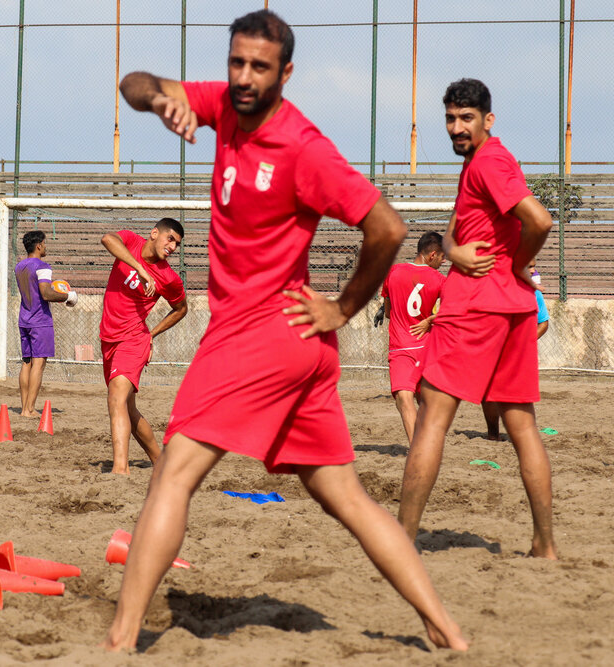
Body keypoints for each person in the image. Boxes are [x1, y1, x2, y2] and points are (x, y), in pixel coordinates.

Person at [102, 10, 467, 652]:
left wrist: (345, 307)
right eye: (236, 62)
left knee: (173, 475)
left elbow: (387, 227)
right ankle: (447, 629)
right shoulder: (223, 103)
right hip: (301, 352)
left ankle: (120, 638)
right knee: (347, 497)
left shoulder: (303, 147)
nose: (243, 77)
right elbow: (132, 82)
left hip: (261, 335)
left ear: (286, 73)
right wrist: (162, 99)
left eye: (260, 67)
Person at [397, 79, 557, 560]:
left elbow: (541, 220)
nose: (456, 127)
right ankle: (544, 545)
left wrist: (515, 263)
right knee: (522, 426)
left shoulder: (487, 162)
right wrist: (453, 250)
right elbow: (451, 233)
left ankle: (401, 541)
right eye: (450, 118)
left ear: (488, 119)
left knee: (431, 420)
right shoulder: (486, 161)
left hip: (475, 308)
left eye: (466, 118)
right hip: (514, 310)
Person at [99, 219, 188, 475]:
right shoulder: (129, 241)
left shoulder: (169, 278)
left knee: (116, 396)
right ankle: (161, 462)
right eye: (170, 239)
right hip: (109, 338)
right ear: (154, 233)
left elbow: (181, 309)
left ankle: (120, 468)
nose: (173, 247)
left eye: (177, 245)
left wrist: (152, 334)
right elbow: (107, 238)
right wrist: (139, 268)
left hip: (134, 339)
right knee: (128, 407)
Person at [375, 232, 446, 443]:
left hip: (402, 347)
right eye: (443, 257)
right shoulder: (440, 280)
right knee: (424, 400)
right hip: (427, 347)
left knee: (404, 399)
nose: (444, 262)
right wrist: (430, 320)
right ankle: (427, 444)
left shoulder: (394, 271)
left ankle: (419, 450)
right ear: (432, 255)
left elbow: (388, 312)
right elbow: (458, 308)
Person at [482, 257, 549, 439]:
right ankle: (493, 433)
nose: (534, 271)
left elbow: (543, 323)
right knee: (489, 392)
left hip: (519, 353)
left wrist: (524, 343)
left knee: (522, 393)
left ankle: (526, 434)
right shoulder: (494, 290)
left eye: (535, 266)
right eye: (530, 266)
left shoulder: (535, 293)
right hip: (494, 349)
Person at [15, 230, 77, 418]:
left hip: (24, 318)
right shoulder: (42, 266)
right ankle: (29, 409)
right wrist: (68, 296)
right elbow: (46, 293)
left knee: (26, 363)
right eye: (45, 243)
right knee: (39, 364)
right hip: (40, 320)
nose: (46, 246)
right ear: (39, 245)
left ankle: (24, 406)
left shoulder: (19, 266)